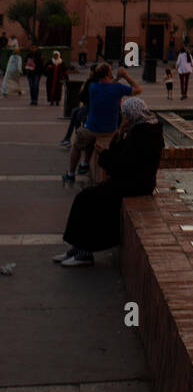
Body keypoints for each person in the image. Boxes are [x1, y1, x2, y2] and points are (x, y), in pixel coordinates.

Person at [54, 96, 164, 268]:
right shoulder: (143, 129)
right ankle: (78, 248)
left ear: (132, 114)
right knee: (85, 197)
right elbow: (123, 157)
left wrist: (104, 156)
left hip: (136, 184)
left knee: (87, 199)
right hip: (132, 180)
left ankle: (84, 252)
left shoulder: (143, 134)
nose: (123, 118)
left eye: (125, 115)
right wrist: (120, 133)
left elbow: (122, 165)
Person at [63, 63, 141, 186]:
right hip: (110, 131)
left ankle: (71, 174)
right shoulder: (117, 88)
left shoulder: (93, 87)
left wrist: (116, 78)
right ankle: (84, 164)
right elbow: (138, 89)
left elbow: (106, 85)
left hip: (92, 129)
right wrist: (125, 76)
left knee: (76, 144)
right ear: (108, 74)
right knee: (89, 140)